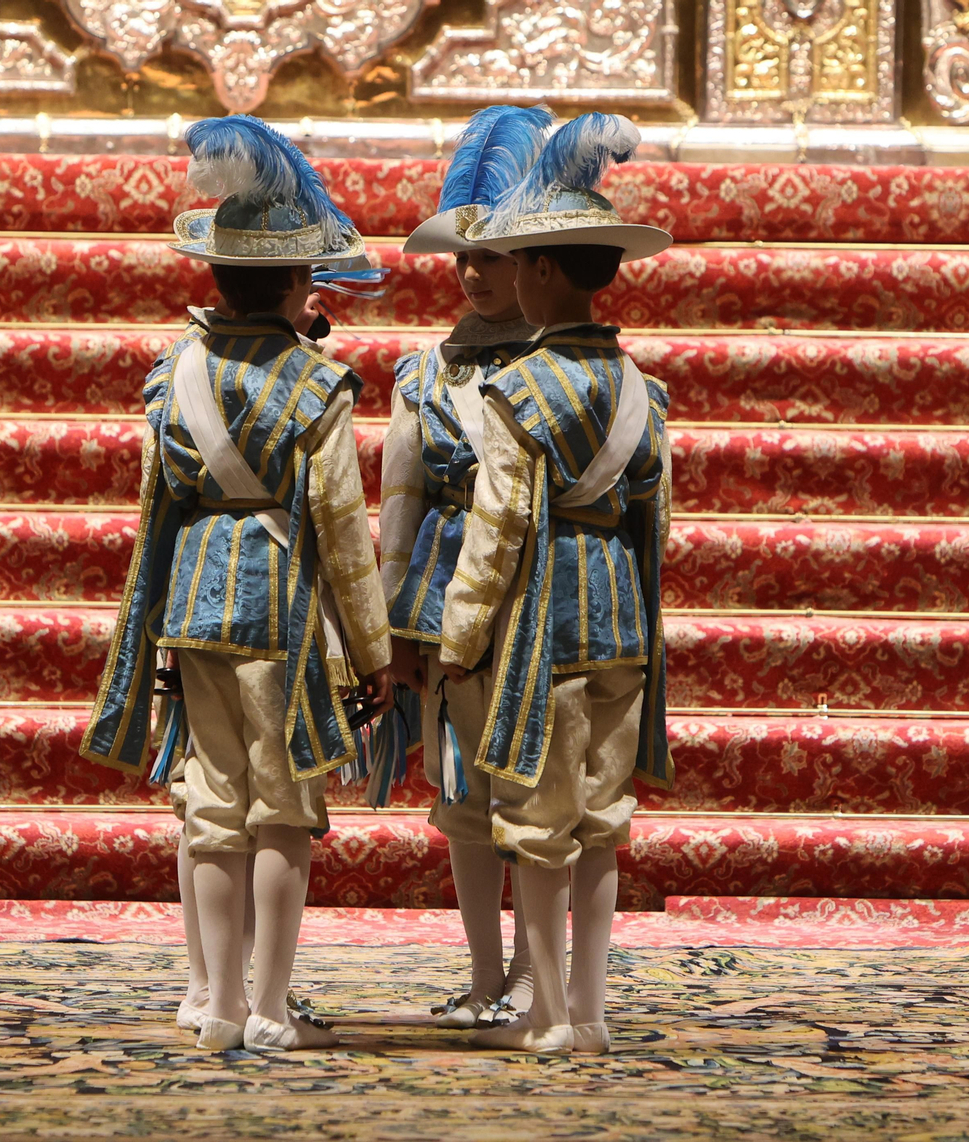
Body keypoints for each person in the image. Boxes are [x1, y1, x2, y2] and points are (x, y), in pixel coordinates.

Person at [81, 114, 394, 1052]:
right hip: (282, 616)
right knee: (283, 811)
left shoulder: (171, 373)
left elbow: (159, 508)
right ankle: (267, 1006)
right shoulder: (314, 386)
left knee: (210, 806)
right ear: (299, 284)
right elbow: (340, 531)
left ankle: (213, 1003)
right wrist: (373, 649)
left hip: (191, 608)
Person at [438, 111, 674, 1054]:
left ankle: (545, 1014)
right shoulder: (641, 389)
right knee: (601, 822)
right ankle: (592, 1007)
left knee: (537, 825)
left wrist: (458, 639)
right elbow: (654, 517)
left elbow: (496, 531)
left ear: (540, 271)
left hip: (541, 625)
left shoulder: (519, 389)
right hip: (621, 616)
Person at [380, 103, 554, 1030]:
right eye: (466, 259)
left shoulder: (564, 369)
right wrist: (393, 630)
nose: (477, 275)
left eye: (495, 259)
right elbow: (399, 509)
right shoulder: (423, 373)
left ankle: (537, 975)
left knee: (535, 795)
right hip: (444, 613)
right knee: (463, 800)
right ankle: (486, 973)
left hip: (535, 605)